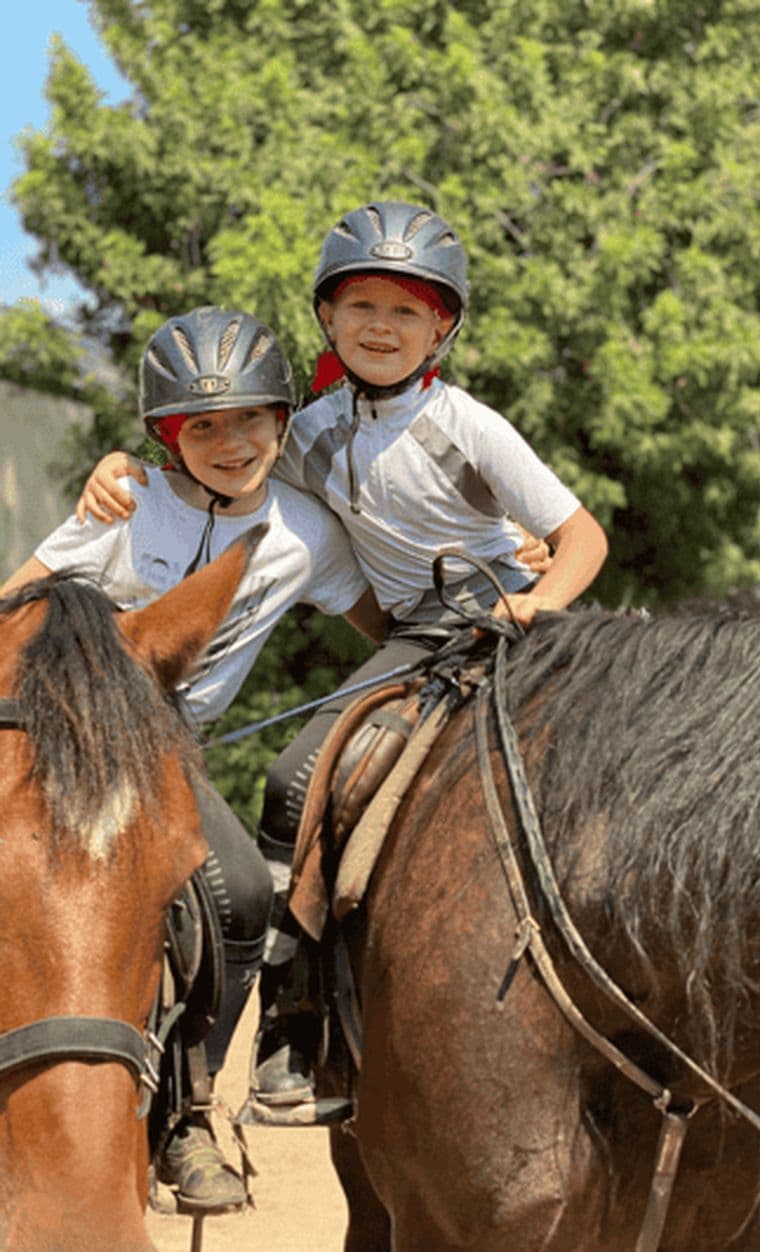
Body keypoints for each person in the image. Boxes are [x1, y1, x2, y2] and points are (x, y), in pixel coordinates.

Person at [76, 201, 608, 1124]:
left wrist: (535, 600)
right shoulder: (308, 432)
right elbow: (218, 462)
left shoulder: (470, 425)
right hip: (417, 632)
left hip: (518, 622)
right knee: (293, 783)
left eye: (406, 311)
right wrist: (123, 460)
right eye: (361, 306)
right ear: (327, 317)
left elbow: (582, 538)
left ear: (443, 326)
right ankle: (296, 1023)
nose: (380, 327)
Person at [1, 305, 386, 1197]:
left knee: (246, 891)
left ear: (282, 424)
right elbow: (18, 600)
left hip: (170, 750)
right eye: (202, 424)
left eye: (250, 417)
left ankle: (185, 1111)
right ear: (166, 436)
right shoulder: (127, 500)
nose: (229, 440)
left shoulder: (307, 533)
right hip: (74, 745)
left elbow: (380, 620)